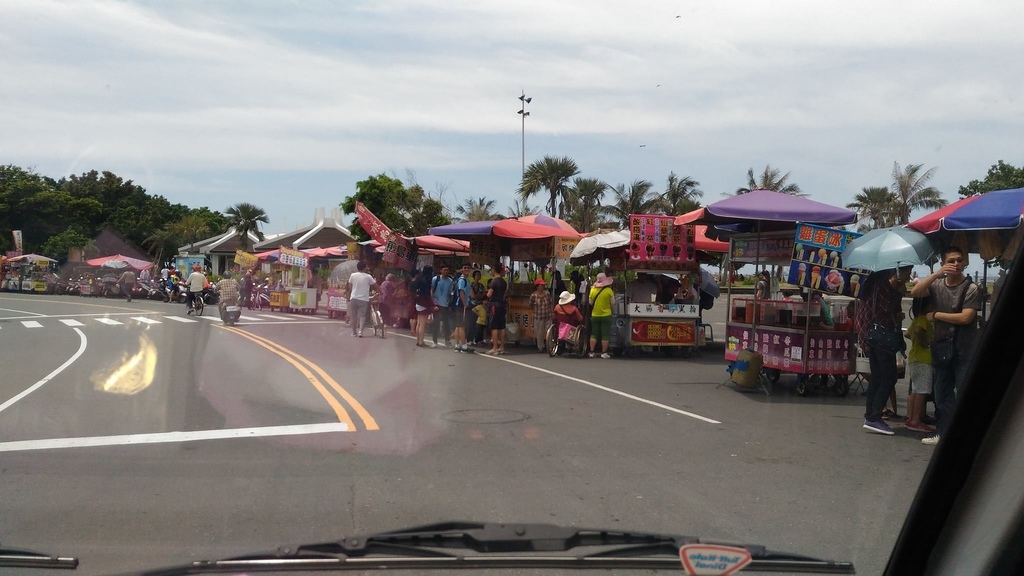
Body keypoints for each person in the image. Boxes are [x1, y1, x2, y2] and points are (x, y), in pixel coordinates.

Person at [911, 246, 982, 446]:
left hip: (964, 350)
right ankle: (943, 432)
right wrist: (935, 274)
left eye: (960, 260)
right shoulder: (938, 285)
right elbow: (916, 292)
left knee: (964, 392)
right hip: (942, 349)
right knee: (942, 395)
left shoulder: (971, 288)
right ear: (943, 263)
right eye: (951, 261)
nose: (956, 264)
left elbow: (966, 317)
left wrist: (937, 316)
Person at [856, 266, 911, 435]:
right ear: (898, 272)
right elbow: (885, 315)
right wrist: (899, 315)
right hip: (881, 339)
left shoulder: (873, 284)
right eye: (908, 272)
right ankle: (874, 417)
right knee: (889, 377)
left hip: (871, 337)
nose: (910, 276)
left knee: (877, 377)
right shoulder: (885, 289)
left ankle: (871, 416)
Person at [904, 297, 936, 433]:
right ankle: (916, 420)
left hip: (914, 358)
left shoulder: (916, 318)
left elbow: (907, 333)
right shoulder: (923, 319)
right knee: (923, 390)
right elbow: (917, 331)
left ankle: (910, 418)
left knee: (915, 390)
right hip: (924, 358)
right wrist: (925, 342)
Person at [345, 261, 378, 338]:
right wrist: (380, 292)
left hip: (354, 298)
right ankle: (360, 332)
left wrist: (353, 292)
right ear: (364, 268)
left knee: (353, 316)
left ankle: (354, 333)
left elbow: (350, 286)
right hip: (364, 299)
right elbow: (376, 285)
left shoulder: (353, 275)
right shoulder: (368, 276)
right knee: (362, 315)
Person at [588, 272, 615, 358]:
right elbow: (613, 303)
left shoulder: (592, 290)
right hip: (606, 315)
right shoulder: (609, 291)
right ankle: (604, 353)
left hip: (595, 314)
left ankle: (591, 352)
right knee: (605, 334)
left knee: (594, 333)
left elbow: (590, 302)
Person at [430, 265, 455, 348]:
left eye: (447, 270)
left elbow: (450, 292)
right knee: (436, 323)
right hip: (437, 304)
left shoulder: (450, 281)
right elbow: (432, 290)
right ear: (441, 270)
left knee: (446, 323)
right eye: (444, 270)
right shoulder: (435, 279)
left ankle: (447, 341)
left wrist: (450, 299)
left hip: (445, 305)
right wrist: (433, 302)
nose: (446, 271)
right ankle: (434, 341)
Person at [485, 264, 508, 355]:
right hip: (502, 304)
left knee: (494, 326)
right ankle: (501, 347)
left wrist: (486, 293)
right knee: (502, 326)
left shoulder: (493, 282)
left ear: (494, 270)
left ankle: (494, 347)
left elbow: (489, 295)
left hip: (495, 304)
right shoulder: (504, 282)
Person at [453, 263, 473, 353]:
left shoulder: (466, 280)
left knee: (458, 326)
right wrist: (465, 304)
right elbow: (461, 292)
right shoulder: (462, 280)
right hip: (461, 305)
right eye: (465, 268)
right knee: (461, 326)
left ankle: (457, 345)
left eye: (468, 268)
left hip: (461, 305)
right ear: (461, 269)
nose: (466, 269)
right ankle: (464, 346)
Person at [529, 278, 553, 352]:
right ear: (537, 286)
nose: (542, 286)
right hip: (538, 316)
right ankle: (540, 347)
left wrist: (552, 312)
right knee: (539, 333)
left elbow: (550, 303)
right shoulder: (533, 295)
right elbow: (530, 305)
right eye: (541, 285)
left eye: (543, 285)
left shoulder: (547, 294)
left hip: (547, 315)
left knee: (549, 331)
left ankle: (550, 346)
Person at [412, 267, 433, 347]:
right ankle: (421, 341)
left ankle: (418, 340)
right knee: (422, 324)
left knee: (419, 323)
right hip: (424, 303)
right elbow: (428, 294)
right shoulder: (427, 281)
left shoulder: (419, 279)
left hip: (418, 303)